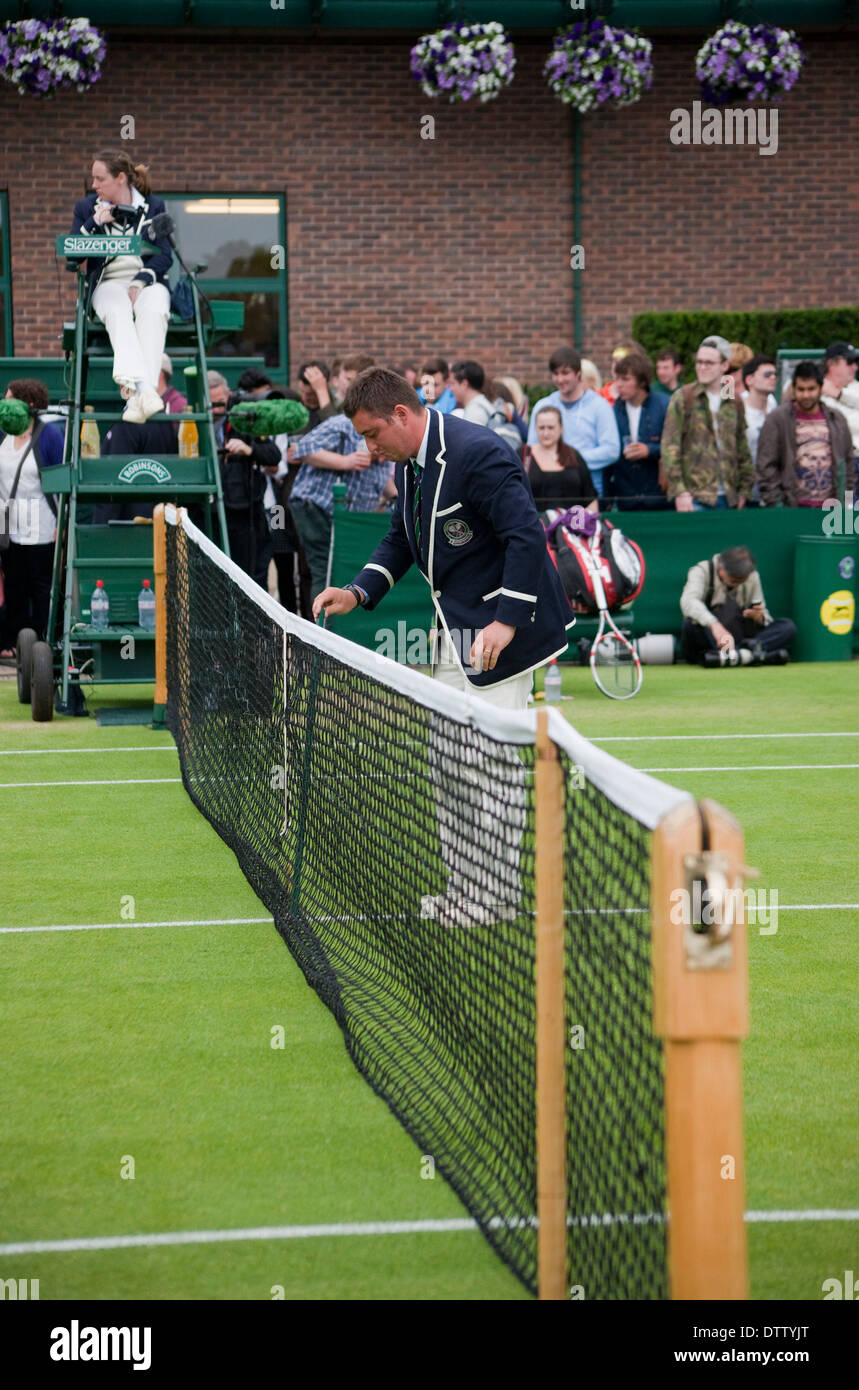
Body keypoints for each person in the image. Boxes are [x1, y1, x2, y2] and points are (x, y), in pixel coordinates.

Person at [312, 368, 573, 928]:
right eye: (362, 438)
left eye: (372, 433)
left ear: (401, 415)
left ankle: (494, 896)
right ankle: (465, 889)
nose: (369, 447)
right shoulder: (410, 465)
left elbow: (525, 535)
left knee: (492, 762)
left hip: (503, 631)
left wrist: (506, 621)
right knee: (449, 761)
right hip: (452, 631)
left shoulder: (480, 452)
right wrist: (358, 590)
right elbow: (402, 537)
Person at [71, 152, 173, 424]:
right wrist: (94, 223)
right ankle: (146, 391)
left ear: (120, 178)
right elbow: (72, 255)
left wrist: (141, 280)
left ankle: (137, 397)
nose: (94, 185)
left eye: (100, 178)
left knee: (155, 308)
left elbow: (165, 255)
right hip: (108, 282)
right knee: (117, 310)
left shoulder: (153, 206)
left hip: (145, 280)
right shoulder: (86, 208)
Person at [287, 410, 392, 600]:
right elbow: (302, 449)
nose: (384, 457)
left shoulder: (389, 441)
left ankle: (336, 624)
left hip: (350, 522)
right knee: (326, 569)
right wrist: (345, 461)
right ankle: (322, 626)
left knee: (345, 572)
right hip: (316, 507)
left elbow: (385, 485)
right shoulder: (343, 425)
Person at [0, 379, 64, 654]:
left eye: (9, 398)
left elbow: (62, 484)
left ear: (28, 404)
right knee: (13, 586)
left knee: (42, 589)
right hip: (8, 525)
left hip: (42, 526)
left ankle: (44, 644)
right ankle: (14, 643)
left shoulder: (49, 436)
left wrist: (60, 527)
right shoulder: (3, 434)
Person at [660, 334, 753, 511]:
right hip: (695, 497)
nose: (702, 367)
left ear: (724, 366)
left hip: (730, 497)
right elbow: (670, 448)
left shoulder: (733, 399)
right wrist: (680, 491)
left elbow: (742, 448)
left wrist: (744, 491)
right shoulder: (684, 397)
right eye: (699, 362)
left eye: (709, 363)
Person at [208, 370, 280, 585]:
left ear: (228, 394)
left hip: (246, 511)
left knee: (252, 575)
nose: (217, 409)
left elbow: (273, 455)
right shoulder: (196, 420)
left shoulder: (244, 417)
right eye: (211, 404)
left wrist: (249, 450)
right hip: (210, 512)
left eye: (220, 402)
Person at [756, 360, 854, 507]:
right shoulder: (777, 419)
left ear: (821, 388)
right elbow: (766, 465)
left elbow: (848, 461)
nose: (806, 395)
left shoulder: (836, 419)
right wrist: (777, 502)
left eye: (811, 389)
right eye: (801, 389)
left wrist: (846, 499)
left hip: (831, 508)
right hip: (792, 508)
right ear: (794, 389)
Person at [526, 348, 620, 498]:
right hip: (548, 492)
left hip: (588, 493)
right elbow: (531, 449)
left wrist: (572, 461)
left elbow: (611, 450)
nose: (560, 379)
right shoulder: (542, 406)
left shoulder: (600, 406)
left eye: (565, 373)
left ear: (578, 374)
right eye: (555, 374)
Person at [680, 545, 796, 666]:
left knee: (787, 627)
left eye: (741, 582)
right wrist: (714, 625)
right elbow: (688, 601)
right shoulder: (701, 571)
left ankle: (735, 655)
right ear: (720, 568)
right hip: (711, 638)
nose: (736, 585)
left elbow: (762, 611)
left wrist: (759, 618)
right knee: (690, 625)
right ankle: (752, 656)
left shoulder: (752, 576)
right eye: (733, 581)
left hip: (740, 636)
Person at [608, 350, 669, 510]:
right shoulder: (614, 410)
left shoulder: (663, 405)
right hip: (626, 496)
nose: (619, 384)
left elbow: (676, 446)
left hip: (658, 496)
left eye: (625, 379)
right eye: (617, 379)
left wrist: (649, 450)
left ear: (642, 382)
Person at [524, 406, 597, 511]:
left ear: (561, 427)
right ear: (535, 428)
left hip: (572, 525)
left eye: (550, 427)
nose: (546, 433)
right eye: (541, 428)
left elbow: (591, 499)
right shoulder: (524, 455)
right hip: (535, 524)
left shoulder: (573, 455)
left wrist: (589, 524)